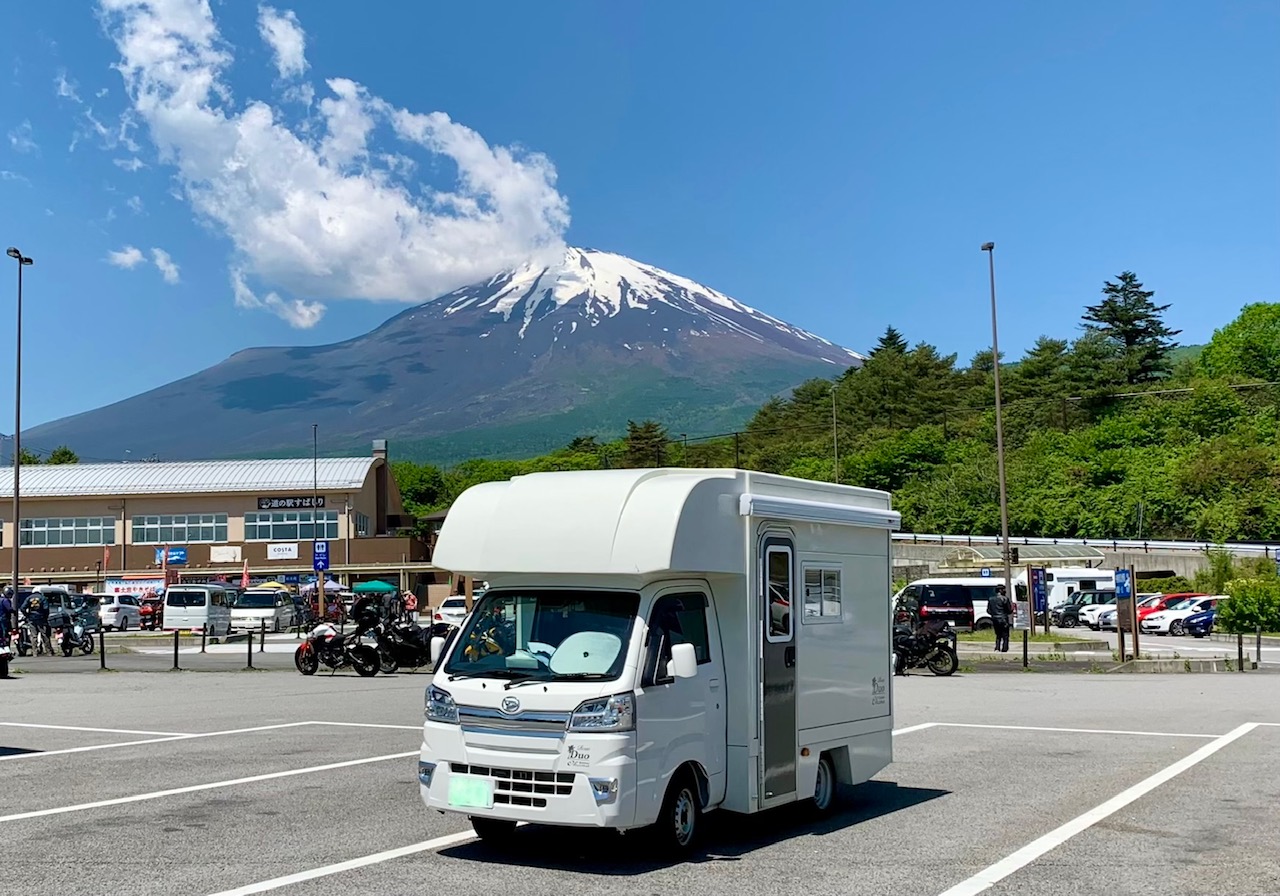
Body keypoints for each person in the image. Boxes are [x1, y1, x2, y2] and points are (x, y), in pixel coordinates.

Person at [987, 584, 1013, 653]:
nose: (1005, 591)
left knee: (998, 635)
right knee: (1005, 635)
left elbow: (988, 610)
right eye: (1004, 589)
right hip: (1003, 619)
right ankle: (1004, 648)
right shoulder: (1005, 599)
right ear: (1000, 590)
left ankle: (997, 648)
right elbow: (1009, 610)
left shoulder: (991, 599)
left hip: (995, 619)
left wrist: (994, 614)